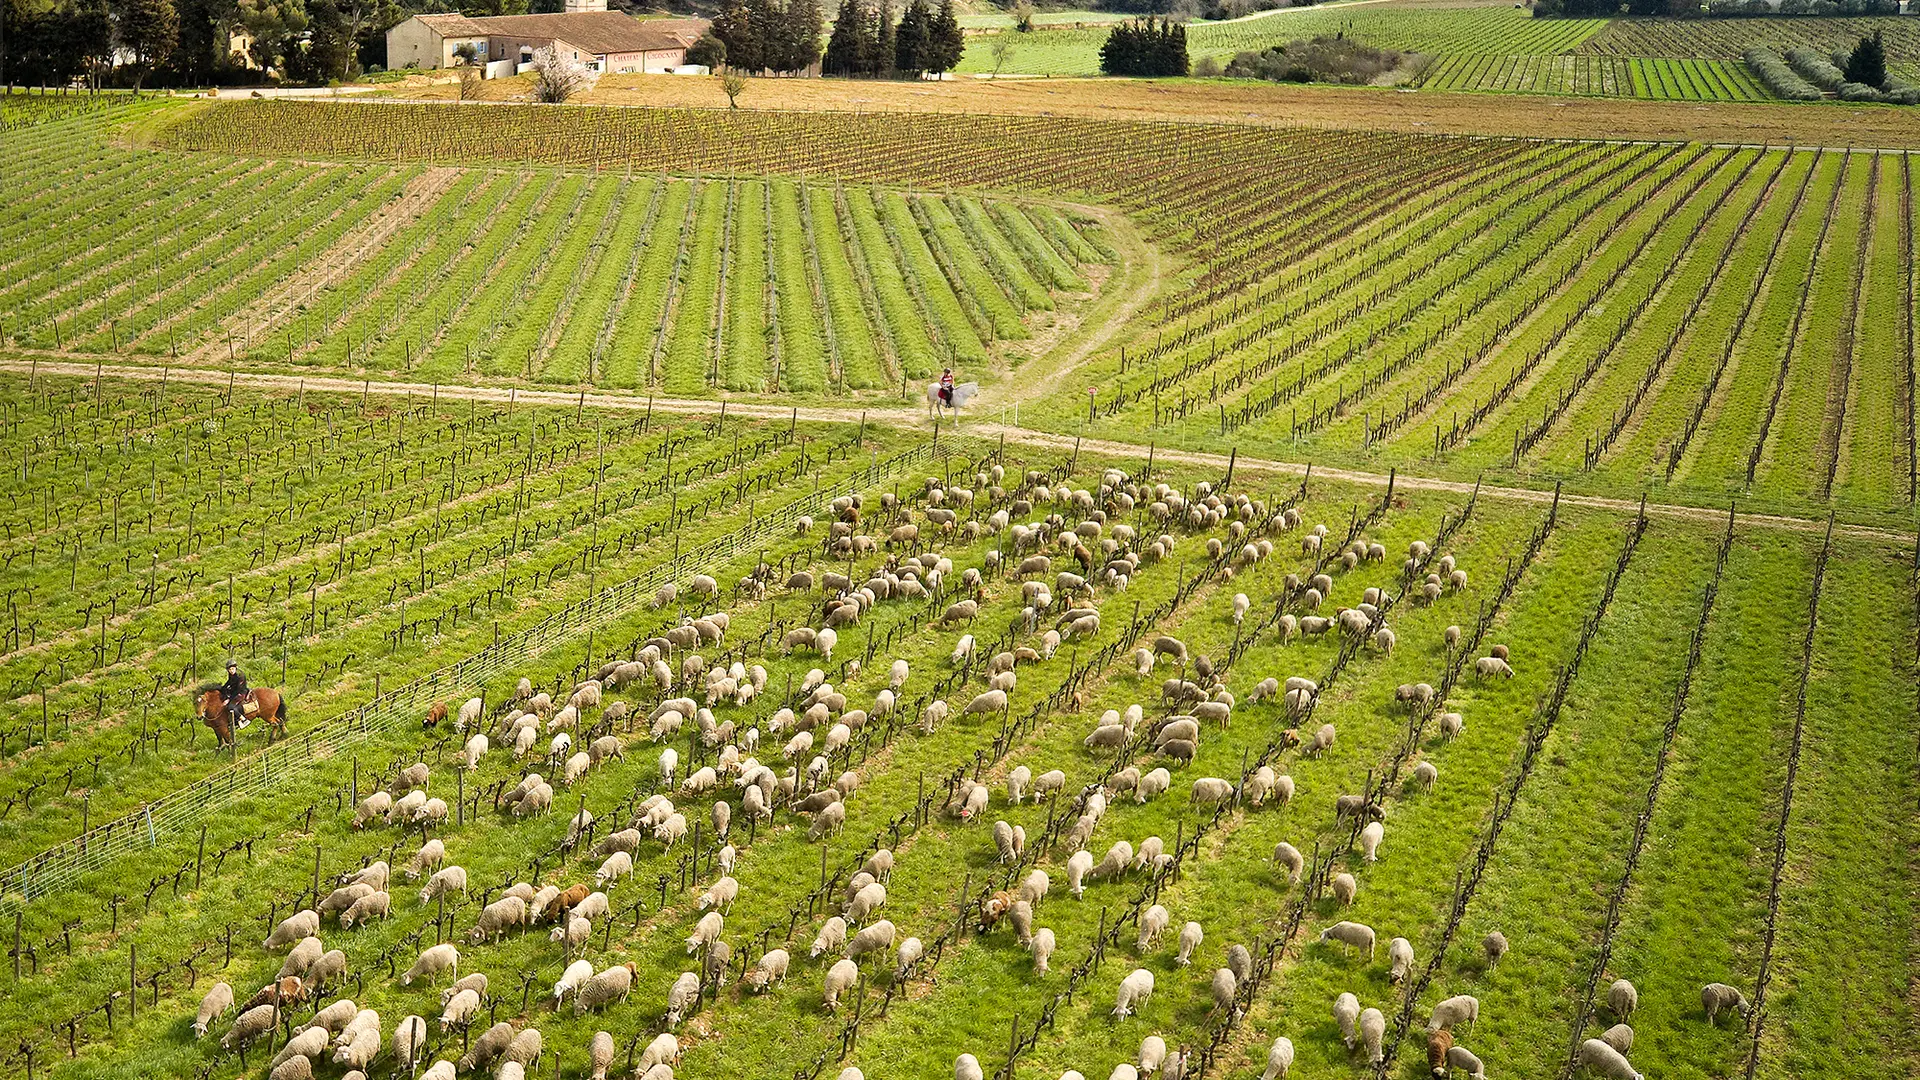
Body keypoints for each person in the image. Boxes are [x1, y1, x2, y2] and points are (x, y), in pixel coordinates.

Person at [221, 661, 251, 730]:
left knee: (230, 706)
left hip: (241, 692)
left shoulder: (240, 676)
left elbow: (238, 690)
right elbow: (229, 681)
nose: (231, 671)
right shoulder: (231, 674)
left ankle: (243, 720)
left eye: (232, 669)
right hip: (234, 690)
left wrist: (229, 699)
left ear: (235, 668)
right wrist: (223, 688)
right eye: (229, 669)